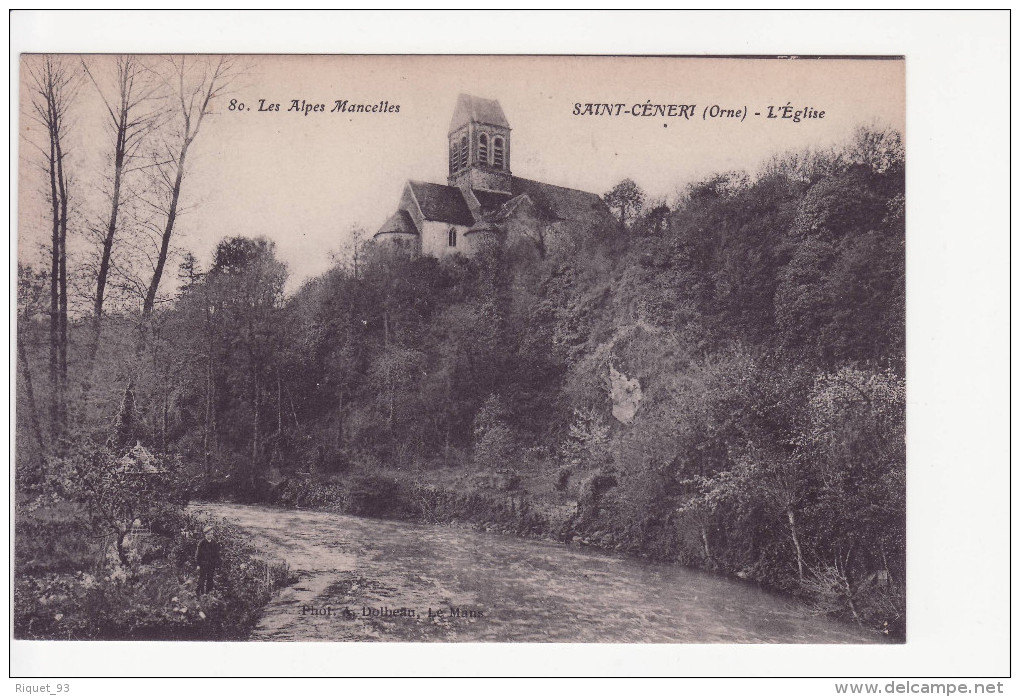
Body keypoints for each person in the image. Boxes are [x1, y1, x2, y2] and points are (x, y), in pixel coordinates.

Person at [195, 525, 220, 596]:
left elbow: (216, 554)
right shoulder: (201, 543)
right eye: (208, 534)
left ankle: (208, 593)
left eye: (211, 534)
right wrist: (198, 565)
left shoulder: (214, 543)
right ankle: (199, 592)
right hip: (203, 564)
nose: (210, 535)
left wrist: (217, 563)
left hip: (211, 564)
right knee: (202, 578)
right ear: (205, 534)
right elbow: (198, 555)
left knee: (210, 578)